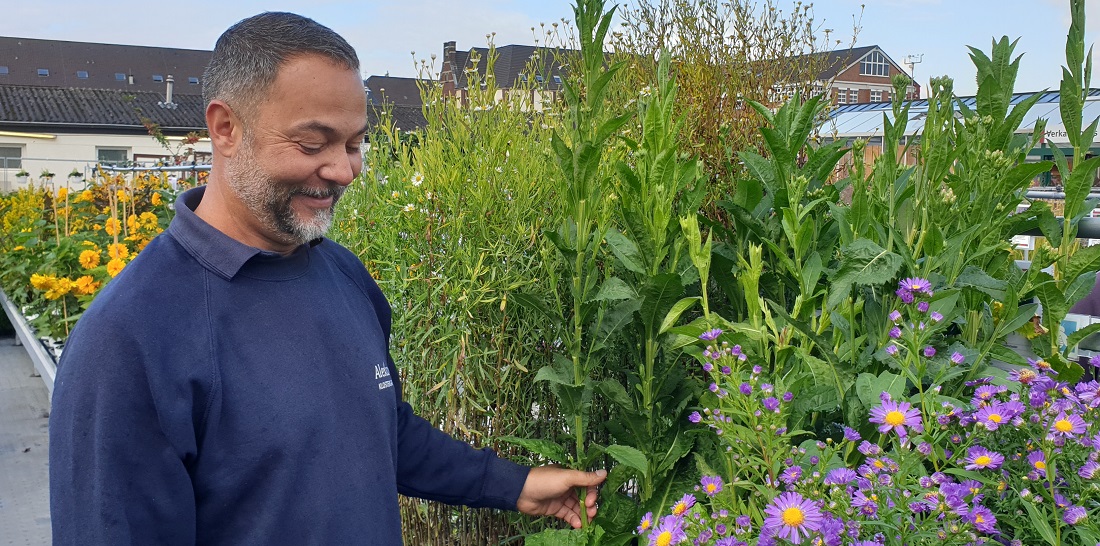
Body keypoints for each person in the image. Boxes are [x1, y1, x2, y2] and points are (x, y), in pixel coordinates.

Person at [49, 12, 605, 545]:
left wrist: (515, 486)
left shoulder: (341, 274)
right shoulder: (130, 338)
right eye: (313, 145)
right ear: (225, 129)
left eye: (355, 143)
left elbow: (380, 433)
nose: (343, 170)